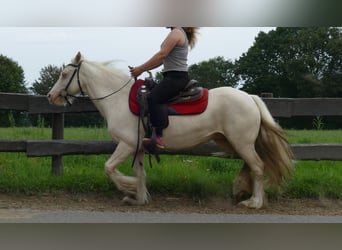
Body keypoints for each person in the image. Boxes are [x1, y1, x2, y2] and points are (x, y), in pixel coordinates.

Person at [130, 27, 199, 149]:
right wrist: (143, 69)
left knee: (153, 98)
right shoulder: (176, 33)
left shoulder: (176, 33)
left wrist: (140, 69)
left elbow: (161, 55)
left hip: (176, 78)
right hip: (172, 76)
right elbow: (161, 60)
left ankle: (157, 136)